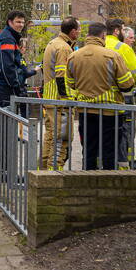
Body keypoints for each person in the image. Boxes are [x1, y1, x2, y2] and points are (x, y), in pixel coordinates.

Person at [66, 22, 135, 170]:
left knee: (89, 150)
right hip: (110, 111)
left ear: (88, 35)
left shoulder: (73, 56)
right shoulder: (113, 56)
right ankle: (107, 180)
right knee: (109, 152)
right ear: (103, 35)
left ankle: (88, 178)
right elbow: (127, 84)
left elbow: (71, 84)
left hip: (86, 111)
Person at [40, 17, 80, 169]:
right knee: (61, 139)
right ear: (73, 31)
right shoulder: (64, 48)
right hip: (59, 101)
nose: (80, 33)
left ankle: (42, 171)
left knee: (50, 137)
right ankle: (54, 172)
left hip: (50, 98)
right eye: (79, 30)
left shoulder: (53, 43)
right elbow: (61, 76)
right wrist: (67, 98)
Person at [106, 19, 136, 168]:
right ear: (116, 31)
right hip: (123, 97)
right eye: (122, 29)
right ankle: (126, 162)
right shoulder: (123, 48)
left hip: (98, 98)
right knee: (126, 130)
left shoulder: (99, 44)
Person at [0, 10, 36, 108]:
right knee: (7, 116)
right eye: (18, 22)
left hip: (3, 85)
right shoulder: (7, 39)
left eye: (23, 22)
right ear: (10, 22)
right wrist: (17, 88)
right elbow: (8, 66)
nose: (21, 25)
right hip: (5, 88)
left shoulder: (10, 36)